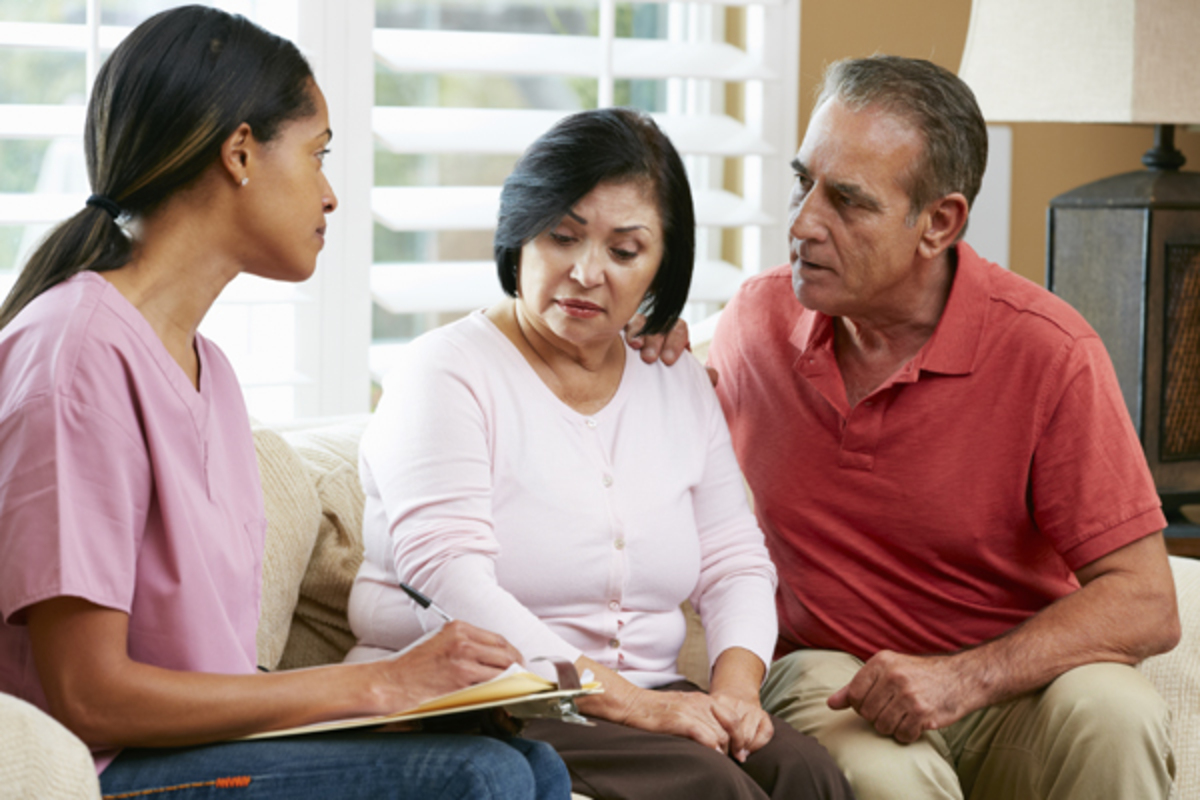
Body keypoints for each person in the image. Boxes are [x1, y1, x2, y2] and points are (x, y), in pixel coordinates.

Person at [0, 6, 571, 799]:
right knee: (478, 779)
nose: (331, 194)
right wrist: (376, 686)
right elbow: (88, 696)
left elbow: (218, 677)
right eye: (317, 154)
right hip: (107, 773)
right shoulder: (74, 354)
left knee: (530, 765)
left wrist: (399, 710)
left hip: (195, 753)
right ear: (240, 153)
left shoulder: (215, 376)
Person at [701, 55, 1181, 800]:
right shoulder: (755, 325)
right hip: (832, 674)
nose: (801, 225)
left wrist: (963, 680)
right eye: (804, 183)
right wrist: (638, 336)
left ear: (940, 223)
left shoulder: (1048, 352)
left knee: (1119, 713)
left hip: (1007, 689)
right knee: (883, 772)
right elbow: (625, 419)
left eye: (848, 202)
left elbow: (1146, 600)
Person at [347, 107, 854, 800]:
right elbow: (448, 576)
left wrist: (736, 692)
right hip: (496, 697)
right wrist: (634, 704)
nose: (587, 272)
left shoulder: (672, 378)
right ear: (518, 234)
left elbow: (733, 558)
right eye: (562, 237)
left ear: (660, 267)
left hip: (642, 699)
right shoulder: (445, 372)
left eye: (624, 251)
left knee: (809, 774)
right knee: (712, 789)